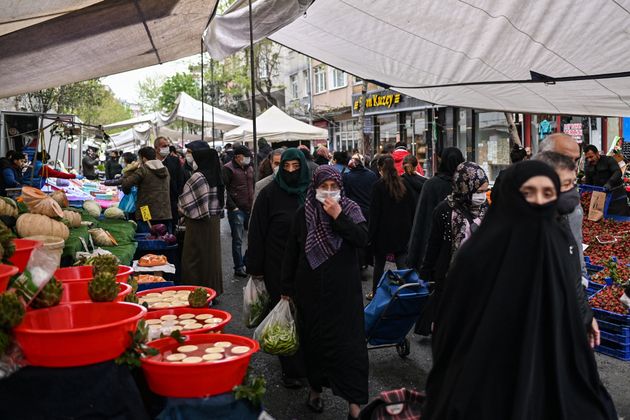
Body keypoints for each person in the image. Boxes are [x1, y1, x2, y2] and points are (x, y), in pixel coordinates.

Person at [425, 161, 618, 420]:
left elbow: (568, 300)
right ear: (511, 196)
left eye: (547, 193)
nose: (539, 201)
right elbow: (452, 332)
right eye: (529, 192)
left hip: (549, 378)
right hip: (488, 383)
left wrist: (583, 318)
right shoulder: (475, 255)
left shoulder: (556, 246)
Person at [281, 165, 369, 419]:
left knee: (349, 346)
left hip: (344, 293)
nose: (329, 192)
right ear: (315, 188)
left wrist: (339, 216)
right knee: (314, 342)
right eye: (324, 187)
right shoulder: (304, 213)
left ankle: (354, 404)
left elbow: (362, 239)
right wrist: (286, 288)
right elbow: (292, 252)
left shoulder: (351, 209)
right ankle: (315, 390)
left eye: (334, 187)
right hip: (311, 292)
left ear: (341, 188)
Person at [247, 148, 310, 388]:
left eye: (296, 166)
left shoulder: (310, 191)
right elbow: (257, 232)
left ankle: (307, 364)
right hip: (276, 264)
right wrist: (255, 267)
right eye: (286, 167)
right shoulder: (269, 194)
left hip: (307, 265)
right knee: (284, 313)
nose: (291, 171)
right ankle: (291, 369)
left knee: (305, 315)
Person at [534, 151, 599, 341]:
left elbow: (571, 271)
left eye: (574, 184)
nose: (573, 192)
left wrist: (586, 315)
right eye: (566, 185)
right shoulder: (526, 227)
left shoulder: (560, 220)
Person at [418, 162, 489, 333]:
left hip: (481, 275)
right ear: (465, 187)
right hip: (450, 276)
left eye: (484, 192)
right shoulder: (444, 210)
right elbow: (433, 244)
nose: (482, 196)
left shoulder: (486, 209)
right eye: (478, 192)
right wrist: (426, 273)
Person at [406, 147, 465, 271]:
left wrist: (413, 256)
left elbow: (420, 220)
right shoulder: (465, 185)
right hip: (462, 247)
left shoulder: (431, 185)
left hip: (433, 247)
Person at [178, 141, 224, 297]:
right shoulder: (216, 174)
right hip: (213, 221)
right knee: (211, 258)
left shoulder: (198, 176)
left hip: (197, 223)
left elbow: (185, 202)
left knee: (193, 258)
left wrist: (181, 212)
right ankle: (212, 290)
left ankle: (195, 291)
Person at [367, 156, 415, 299]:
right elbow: (412, 208)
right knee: (402, 266)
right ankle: (407, 293)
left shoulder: (378, 186)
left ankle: (377, 294)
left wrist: (370, 235)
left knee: (379, 266)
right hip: (402, 231)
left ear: (380, 168)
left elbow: (374, 213)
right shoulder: (404, 184)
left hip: (383, 233)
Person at [121, 147, 171, 231]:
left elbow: (126, 183)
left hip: (146, 211)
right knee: (163, 240)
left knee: (147, 238)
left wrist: (129, 171)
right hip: (165, 211)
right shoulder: (165, 169)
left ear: (143, 158)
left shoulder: (143, 170)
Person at [223, 145, 254, 278]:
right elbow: (224, 189)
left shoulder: (250, 167)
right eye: (245, 156)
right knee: (238, 240)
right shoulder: (228, 169)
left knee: (252, 238)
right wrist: (232, 206)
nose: (248, 159)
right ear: (237, 157)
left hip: (250, 207)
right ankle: (239, 267)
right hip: (236, 209)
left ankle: (246, 261)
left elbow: (253, 184)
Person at [343, 153, 378, 269]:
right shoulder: (372, 175)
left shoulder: (347, 177)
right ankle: (367, 261)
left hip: (354, 212)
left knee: (357, 237)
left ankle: (360, 263)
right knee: (367, 237)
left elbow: (346, 195)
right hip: (369, 210)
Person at [155, 137, 185, 228]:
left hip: (171, 201)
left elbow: (180, 180)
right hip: (156, 203)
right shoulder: (150, 162)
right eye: (164, 146)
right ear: (156, 148)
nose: (167, 148)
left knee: (171, 230)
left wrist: (178, 200)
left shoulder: (174, 160)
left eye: (168, 146)